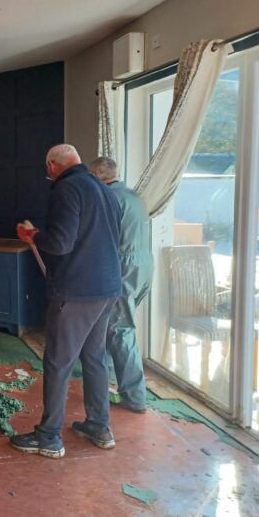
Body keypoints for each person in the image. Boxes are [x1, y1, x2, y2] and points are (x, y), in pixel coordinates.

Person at [10, 144, 121, 459]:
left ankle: (48, 437)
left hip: (77, 292)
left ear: (53, 164)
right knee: (95, 358)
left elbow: (59, 244)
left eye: (48, 168)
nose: (48, 174)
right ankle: (99, 427)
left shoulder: (67, 188)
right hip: (108, 288)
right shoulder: (103, 188)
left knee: (58, 363)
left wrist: (32, 235)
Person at [90, 156, 153, 413]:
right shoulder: (134, 196)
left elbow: (98, 240)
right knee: (112, 326)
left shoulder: (108, 199)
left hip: (123, 268)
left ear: (96, 175)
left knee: (120, 329)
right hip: (143, 266)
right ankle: (103, 384)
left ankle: (134, 397)